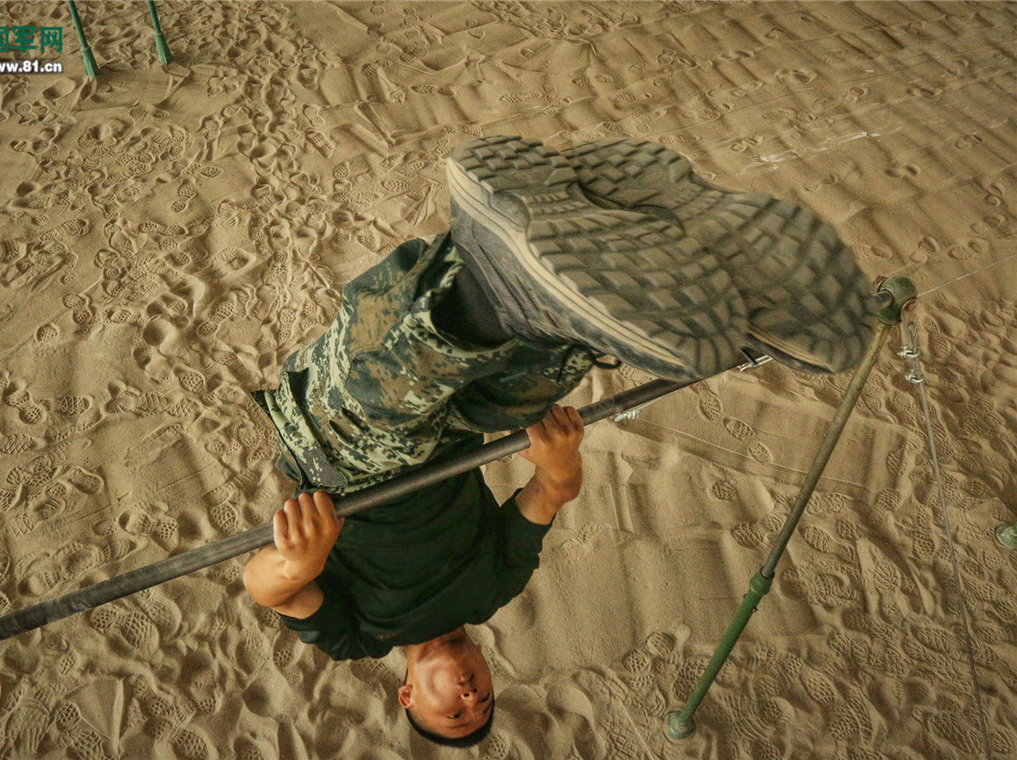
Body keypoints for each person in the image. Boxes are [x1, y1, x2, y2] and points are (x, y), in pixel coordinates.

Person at [243, 135, 874, 746]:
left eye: (454, 712)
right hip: (459, 438)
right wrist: (556, 462)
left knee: (381, 400)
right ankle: (651, 251)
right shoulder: (493, 590)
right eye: (484, 701)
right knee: (520, 398)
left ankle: (502, 275)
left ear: (408, 695)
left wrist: (297, 563)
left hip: (346, 462)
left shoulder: (361, 636)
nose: (471, 695)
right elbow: (549, 498)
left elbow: (271, 591)